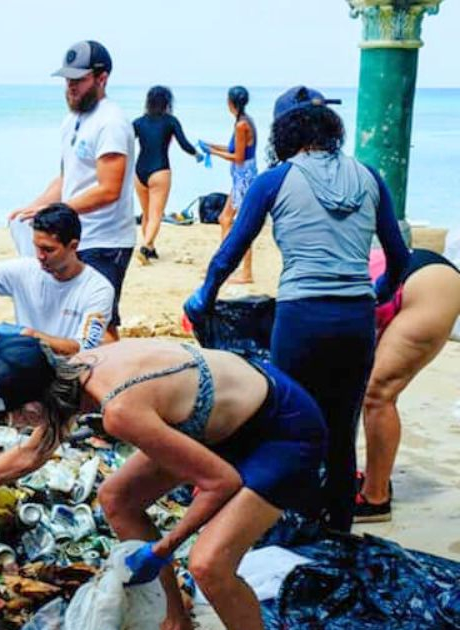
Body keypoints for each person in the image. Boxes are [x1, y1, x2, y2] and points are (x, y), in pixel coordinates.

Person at [0, 335, 325, 630]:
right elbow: (28, 454)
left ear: (33, 407)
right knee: (117, 498)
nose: (11, 425)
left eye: (10, 417)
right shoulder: (73, 372)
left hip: (282, 431)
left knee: (208, 565)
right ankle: (175, 620)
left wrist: (161, 550)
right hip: (218, 425)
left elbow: (220, 481)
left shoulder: (119, 409)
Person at [184, 86, 410, 532]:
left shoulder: (275, 180)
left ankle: (288, 526)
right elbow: (399, 258)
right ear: (330, 127)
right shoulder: (369, 176)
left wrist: (204, 299)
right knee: (341, 431)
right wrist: (376, 294)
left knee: (287, 424)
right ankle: (338, 533)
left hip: (301, 319)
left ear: (284, 129)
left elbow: (231, 252)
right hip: (355, 323)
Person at [10, 40, 135, 340]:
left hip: (105, 240)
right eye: (68, 80)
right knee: (71, 316)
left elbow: (109, 189)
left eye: (79, 80)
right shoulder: (72, 121)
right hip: (74, 236)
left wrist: (59, 212)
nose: (71, 87)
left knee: (101, 325)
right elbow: (67, 178)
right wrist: (36, 208)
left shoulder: (111, 123)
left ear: (101, 78)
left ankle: (112, 384)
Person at [355, 248, 460, 522]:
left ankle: (375, 497)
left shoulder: (306, 310)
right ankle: (368, 477)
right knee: (362, 388)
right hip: (401, 274)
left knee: (377, 393)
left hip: (426, 284)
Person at [0, 203, 114, 356]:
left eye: (48, 250)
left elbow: (85, 348)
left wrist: (30, 335)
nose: (40, 256)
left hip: (70, 371)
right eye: (37, 247)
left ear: (73, 246)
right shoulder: (25, 270)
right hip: (25, 364)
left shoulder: (97, 289)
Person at [132, 86, 201, 264]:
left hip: (139, 172)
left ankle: (151, 247)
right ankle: (146, 247)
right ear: (167, 102)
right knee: (156, 214)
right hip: (160, 170)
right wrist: (197, 154)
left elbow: (124, 142)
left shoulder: (138, 122)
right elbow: (184, 144)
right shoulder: (170, 121)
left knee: (146, 213)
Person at [200, 86, 258, 284]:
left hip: (244, 179)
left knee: (243, 225)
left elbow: (238, 157)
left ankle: (246, 273)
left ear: (230, 103)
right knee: (225, 219)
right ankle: (224, 265)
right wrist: (211, 146)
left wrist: (214, 153)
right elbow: (234, 148)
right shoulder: (243, 121)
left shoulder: (241, 125)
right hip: (240, 179)